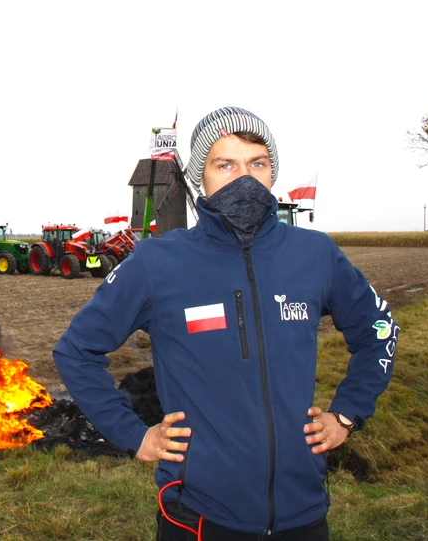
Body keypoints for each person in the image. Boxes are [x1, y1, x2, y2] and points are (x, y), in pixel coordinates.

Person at [53, 106, 399, 540]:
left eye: (258, 163)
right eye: (225, 164)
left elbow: (380, 330)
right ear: (201, 175)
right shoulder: (158, 262)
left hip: (304, 514)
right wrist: (133, 434)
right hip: (197, 516)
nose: (244, 178)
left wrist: (346, 414)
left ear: (273, 171)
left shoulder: (316, 254)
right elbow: (75, 351)